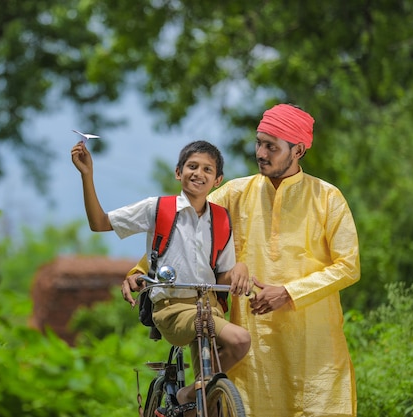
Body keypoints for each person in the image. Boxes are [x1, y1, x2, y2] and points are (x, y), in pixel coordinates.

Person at [122, 104, 361, 417]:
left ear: (298, 150)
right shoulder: (234, 194)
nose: (261, 153)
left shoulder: (327, 198)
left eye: (271, 147)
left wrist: (288, 292)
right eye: (259, 143)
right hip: (252, 345)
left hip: (313, 347)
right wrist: (141, 270)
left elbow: (348, 266)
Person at [71, 139, 251, 415]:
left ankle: (193, 397)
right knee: (239, 340)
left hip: (209, 307)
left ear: (218, 180)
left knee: (208, 405)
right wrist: (87, 175)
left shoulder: (222, 219)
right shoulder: (158, 208)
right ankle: (187, 393)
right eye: (192, 166)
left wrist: (241, 270)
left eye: (207, 169)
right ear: (178, 172)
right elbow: (100, 222)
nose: (198, 173)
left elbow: (223, 274)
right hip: (172, 307)